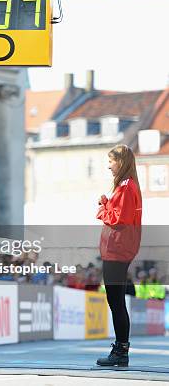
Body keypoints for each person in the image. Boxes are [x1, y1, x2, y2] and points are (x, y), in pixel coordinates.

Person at [95, 144, 142, 367]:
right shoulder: (127, 186)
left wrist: (103, 207)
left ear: (121, 162)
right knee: (116, 301)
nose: (109, 166)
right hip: (118, 250)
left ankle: (121, 351)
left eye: (112, 161)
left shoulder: (126, 187)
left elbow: (118, 219)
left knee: (116, 301)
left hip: (117, 250)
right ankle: (121, 349)